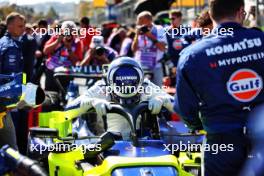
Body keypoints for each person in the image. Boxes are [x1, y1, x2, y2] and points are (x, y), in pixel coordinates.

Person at [174, 0, 264, 175]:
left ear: (211, 15)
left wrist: (199, 125)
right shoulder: (260, 40)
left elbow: (184, 108)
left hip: (221, 141)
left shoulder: (192, 54)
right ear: (240, 12)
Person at [67, 57, 173, 139]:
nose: (126, 83)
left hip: (143, 142)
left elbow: (177, 105)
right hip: (104, 144)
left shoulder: (145, 86)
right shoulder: (103, 88)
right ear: (110, 80)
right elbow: (68, 111)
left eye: (130, 80)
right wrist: (91, 102)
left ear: (139, 79)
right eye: (121, 79)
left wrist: (162, 99)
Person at [0, 12, 26, 150]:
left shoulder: (8, 43)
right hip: (4, 102)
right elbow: (10, 78)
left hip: (4, 103)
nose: (23, 29)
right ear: (9, 26)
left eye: (24, 26)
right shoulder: (10, 47)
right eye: (20, 26)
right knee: (11, 149)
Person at [43, 21, 83, 92]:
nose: (69, 34)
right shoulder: (55, 37)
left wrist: (69, 48)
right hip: (52, 70)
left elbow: (76, 61)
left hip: (67, 73)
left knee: (65, 94)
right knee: (50, 93)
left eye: (71, 31)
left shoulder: (77, 42)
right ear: (62, 31)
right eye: (66, 31)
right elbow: (45, 51)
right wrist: (58, 41)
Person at [131, 11, 167, 87]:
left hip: (156, 66)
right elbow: (133, 49)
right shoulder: (139, 31)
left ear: (149, 21)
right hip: (142, 66)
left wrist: (150, 35)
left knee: (157, 91)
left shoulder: (159, 29)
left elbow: (163, 48)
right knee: (141, 91)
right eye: (138, 22)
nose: (139, 25)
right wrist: (136, 35)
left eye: (141, 22)